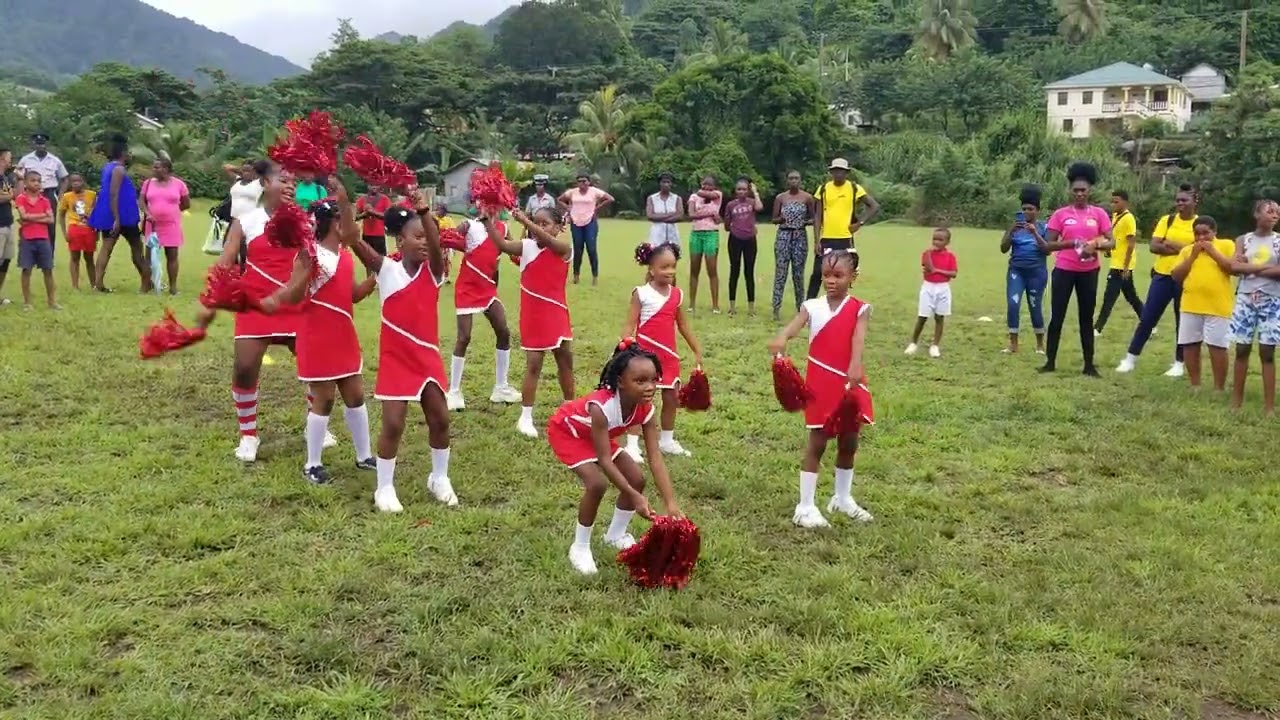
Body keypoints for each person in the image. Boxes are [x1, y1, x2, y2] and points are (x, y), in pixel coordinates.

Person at [196, 166, 329, 463]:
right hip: (256, 305)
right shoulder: (246, 220)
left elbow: (317, 262)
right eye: (283, 180)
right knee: (244, 367)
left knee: (314, 368)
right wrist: (211, 297)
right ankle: (248, 435)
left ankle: (316, 424)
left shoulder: (307, 222)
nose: (290, 185)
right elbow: (226, 260)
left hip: (296, 304)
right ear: (265, 183)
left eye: (294, 181)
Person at [344, 198, 457, 512]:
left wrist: (424, 213)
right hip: (397, 359)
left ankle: (439, 477)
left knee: (441, 418)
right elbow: (353, 239)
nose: (424, 242)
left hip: (427, 359)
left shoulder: (434, 272)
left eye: (427, 236)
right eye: (417, 236)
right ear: (400, 241)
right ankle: (384, 487)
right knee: (393, 424)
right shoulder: (386, 270)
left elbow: (436, 247)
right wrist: (342, 197)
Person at [259, 194, 379, 484]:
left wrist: (375, 277)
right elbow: (294, 293)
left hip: (343, 334)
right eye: (346, 220)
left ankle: (364, 455)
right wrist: (282, 293)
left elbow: (352, 295)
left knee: (356, 396)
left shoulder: (345, 257)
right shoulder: (309, 254)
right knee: (323, 399)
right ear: (335, 225)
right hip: (317, 334)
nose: (353, 225)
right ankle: (312, 463)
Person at [547, 341, 683, 575]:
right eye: (640, 381)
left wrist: (670, 503)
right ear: (620, 382)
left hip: (597, 435)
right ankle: (579, 547)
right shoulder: (602, 407)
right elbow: (605, 460)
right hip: (568, 432)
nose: (649, 387)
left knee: (637, 478)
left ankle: (615, 535)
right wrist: (635, 498)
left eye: (653, 379)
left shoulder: (646, 410)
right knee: (596, 484)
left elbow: (655, 458)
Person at [768, 250, 874, 528]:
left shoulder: (860, 308)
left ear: (853, 277)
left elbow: (858, 340)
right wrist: (782, 338)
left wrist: (855, 366)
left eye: (838, 275)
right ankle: (805, 506)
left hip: (849, 381)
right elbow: (793, 327)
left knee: (849, 441)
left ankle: (842, 498)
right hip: (820, 383)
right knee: (817, 442)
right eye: (827, 274)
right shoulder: (812, 306)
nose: (831, 280)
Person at [488, 207, 575, 439]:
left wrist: (526, 221)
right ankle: (525, 417)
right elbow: (503, 245)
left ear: (558, 227)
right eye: (537, 223)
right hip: (534, 315)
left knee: (565, 362)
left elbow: (547, 240)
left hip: (556, 313)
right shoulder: (526, 247)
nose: (539, 228)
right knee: (534, 365)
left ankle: (569, 410)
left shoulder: (564, 249)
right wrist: (488, 219)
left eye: (545, 223)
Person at [621, 242, 705, 461]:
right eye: (664, 267)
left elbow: (683, 326)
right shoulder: (641, 293)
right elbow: (630, 324)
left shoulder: (677, 295)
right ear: (651, 269)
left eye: (672, 267)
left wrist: (696, 348)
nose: (669, 272)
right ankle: (632, 443)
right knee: (642, 398)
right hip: (644, 356)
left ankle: (666, 440)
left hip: (669, 356)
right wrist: (626, 344)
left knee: (671, 397)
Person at [1116, 185, 1199, 377]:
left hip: (1186, 277)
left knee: (1183, 321)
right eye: (1177, 200)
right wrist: (1184, 249)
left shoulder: (1199, 224)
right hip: (1162, 275)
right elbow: (1154, 246)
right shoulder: (1167, 220)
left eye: (1184, 200)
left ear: (1195, 201)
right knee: (1148, 318)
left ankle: (1179, 363)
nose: (1180, 204)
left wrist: (1170, 244)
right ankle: (1130, 358)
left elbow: (1199, 250)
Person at [1039, 162, 1113, 376]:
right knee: (1057, 316)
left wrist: (1095, 244)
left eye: (1084, 190)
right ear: (1070, 190)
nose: (1080, 193)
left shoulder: (1099, 214)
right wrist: (1071, 244)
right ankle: (1050, 362)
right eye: (1076, 190)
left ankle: (1089, 365)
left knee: (1086, 317)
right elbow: (1047, 244)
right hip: (1064, 269)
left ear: (1090, 191)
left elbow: (1112, 242)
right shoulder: (1060, 214)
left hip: (1089, 272)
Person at [445, 216, 522, 411]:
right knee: (464, 337)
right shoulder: (469, 224)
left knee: (504, 332)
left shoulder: (503, 228)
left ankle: (500, 387)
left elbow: (514, 252)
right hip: (467, 288)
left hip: (487, 288)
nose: (489, 208)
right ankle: (453, 391)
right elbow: (448, 238)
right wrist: (459, 242)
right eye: (485, 203)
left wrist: (530, 251)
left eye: (495, 204)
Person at [1171, 216, 1236, 390]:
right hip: (1190, 304)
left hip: (1218, 306)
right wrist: (1192, 255)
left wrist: (1212, 251)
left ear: (1214, 232)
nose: (1201, 238)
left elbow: (1232, 268)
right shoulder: (1187, 251)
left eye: (1205, 233)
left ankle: (1218, 388)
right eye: (1197, 234)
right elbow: (1176, 276)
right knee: (1190, 345)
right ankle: (1195, 385)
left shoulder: (1226, 245)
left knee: (1218, 346)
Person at [1228, 199, 1280, 414]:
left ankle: (1269, 407)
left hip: (1272, 301)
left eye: (1277, 211)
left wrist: (1249, 268)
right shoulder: (1244, 240)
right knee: (1241, 349)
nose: (1274, 214)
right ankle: (1236, 402)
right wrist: (1266, 266)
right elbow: (1233, 266)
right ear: (1257, 214)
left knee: (1267, 353)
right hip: (1245, 299)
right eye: (1270, 210)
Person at [809, 158, 879, 299]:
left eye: (841, 171)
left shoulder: (854, 188)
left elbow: (874, 206)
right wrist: (817, 240)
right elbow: (817, 216)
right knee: (817, 273)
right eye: (835, 171)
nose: (838, 174)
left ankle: (839, 303)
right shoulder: (823, 189)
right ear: (831, 172)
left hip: (845, 239)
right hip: (826, 239)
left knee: (844, 273)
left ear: (846, 173)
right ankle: (807, 306)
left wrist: (860, 223)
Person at [88, 136, 150, 293]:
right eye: (128, 152)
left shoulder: (108, 167)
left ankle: (98, 283)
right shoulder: (119, 169)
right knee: (136, 249)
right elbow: (113, 194)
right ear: (123, 153)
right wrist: (117, 218)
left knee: (106, 248)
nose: (130, 154)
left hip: (111, 214)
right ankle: (146, 282)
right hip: (122, 216)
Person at [999, 185, 1048, 354]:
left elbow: (1047, 250)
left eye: (1031, 209)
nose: (1027, 212)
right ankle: (1013, 343)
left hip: (1036, 273)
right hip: (1016, 272)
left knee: (1035, 306)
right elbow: (1003, 248)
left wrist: (1035, 233)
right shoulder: (1015, 227)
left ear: (1037, 211)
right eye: (1024, 209)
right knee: (1013, 305)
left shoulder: (1044, 228)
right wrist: (1011, 231)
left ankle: (1040, 345)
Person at [1093, 190, 1144, 336]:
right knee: (1131, 297)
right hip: (1116, 262)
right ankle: (1149, 323)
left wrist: (1126, 267)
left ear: (1125, 202)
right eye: (1112, 201)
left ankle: (1097, 328)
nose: (1113, 204)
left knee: (1109, 297)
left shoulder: (1129, 219)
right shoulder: (1115, 216)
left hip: (1121, 266)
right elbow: (1116, 239)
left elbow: (1130, 244)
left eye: (1116, 201)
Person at [138, 158, 191, 296]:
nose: (154, 170)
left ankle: (173, 287)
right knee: (149, 256)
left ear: (166, 169)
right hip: (152, 225)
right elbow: (142, 202)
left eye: (157, 167)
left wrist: (171, 211)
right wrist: (148, 213)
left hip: (171, 225)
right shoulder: (148, 183)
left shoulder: (179, 184)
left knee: (172, 255)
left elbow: (186, 204)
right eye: (153, 167)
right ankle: (145, 286)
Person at [905, 228, 958, 357]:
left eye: (940, 240)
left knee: (940, 317)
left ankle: (935, 345)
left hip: (943, 288)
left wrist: (938, 271)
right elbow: (928, 268)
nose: (936, 242)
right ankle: (913, 343)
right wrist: (930, 255)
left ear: (947, 242)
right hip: (928, 287)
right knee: (922, 316)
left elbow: (954, 273)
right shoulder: (927, 253)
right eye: (934, 239)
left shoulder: (950, 256)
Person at [771, 170, 815, 321]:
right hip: (783, 235)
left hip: (799, 236)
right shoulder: (781, 197)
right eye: (791, 178)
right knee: (780, 273)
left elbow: (814, 218)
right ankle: (776, 308)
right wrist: (781, 219)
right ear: (787, 181)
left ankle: (800, 307)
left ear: (800, 180)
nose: (794, 181)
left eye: (796, 178)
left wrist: (804, 222)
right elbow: (774, 219)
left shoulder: (807, 198)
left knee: (798, 274)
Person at [14, 170, 59, 310]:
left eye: (39, 181)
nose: (37, 183)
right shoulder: (21, 198)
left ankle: (52, 302)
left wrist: (29, 217)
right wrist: (41, 217)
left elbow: (51, 219)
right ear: (26, 183)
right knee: (26, 270)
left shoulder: (45, 200)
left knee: (48, 270)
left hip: (43, 238)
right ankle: (27, 302)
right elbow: (23, 215)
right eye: (33, 180)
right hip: (27, 239)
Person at [16, 133, 68, 254]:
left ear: (46, 144)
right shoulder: (25, 159)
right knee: (28, 223)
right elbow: (18, 176)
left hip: (48, 194)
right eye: (38, 143)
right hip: (29, 195)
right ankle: (30, 253)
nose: (40, 146)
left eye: (42, 143)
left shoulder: (55, 160)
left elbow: (65, 178)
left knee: (50, 225)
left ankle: (48, 255)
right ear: (34, 144)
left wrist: (61, 194)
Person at [558, 173, 612, 286]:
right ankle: (576, 276)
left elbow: (610, 199)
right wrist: (568, 207)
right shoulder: (572, 192)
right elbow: (560, 199)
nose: (582, 184)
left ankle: (595, 276)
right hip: (576, 222)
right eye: (580, 181)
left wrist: (597, 208)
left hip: (590, 223)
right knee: (578, 249)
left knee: (591, 249)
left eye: (584, 181)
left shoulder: (594, 191)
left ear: (589, 182)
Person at [724, 177, 763, 317]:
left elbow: (759, 208)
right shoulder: (730, 205)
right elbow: (726, 226)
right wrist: (731, 225)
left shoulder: (752, 202)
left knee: (749, 272)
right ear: (735, 191)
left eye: (744, 189)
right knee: (734, 271)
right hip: (735, 240)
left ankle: (751, 308)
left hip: (750, 240)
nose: (741, 192)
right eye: (739, 189)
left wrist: (755, 193)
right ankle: (732, 306)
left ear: (748, 190)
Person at [686, 176, 723, 313]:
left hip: (711, 234)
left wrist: (700, 213)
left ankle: (715, 305)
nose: (707, 186)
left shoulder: (717, 195)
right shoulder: (693, 197)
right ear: (701, 184)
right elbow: (690, 214)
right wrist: (710, 214)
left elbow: (706, 195)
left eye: (710, 184)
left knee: (712, 270)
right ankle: (691, 303)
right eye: (704, 184)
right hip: (696, 234)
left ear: (714, 186)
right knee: (694, 270)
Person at [57, 174, 97, 291]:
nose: (75, 183)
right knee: (74, 257)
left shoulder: (92, 195)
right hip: (74, 229)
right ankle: (75, 286)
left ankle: (93, 284)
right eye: (72, 181)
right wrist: (65, 232)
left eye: (78, 180)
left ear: (83, 181)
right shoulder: (67, 196)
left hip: (89, 229)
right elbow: (61, 215)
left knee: (89, 258)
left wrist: (97, 232)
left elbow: (96, 213)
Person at [1, 147, 19, 305]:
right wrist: (10, 195)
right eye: (9, 158)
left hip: (8, 222)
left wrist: (19, 179)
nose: (11, 160)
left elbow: (17, 196)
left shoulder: (5, 177)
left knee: (6, 260)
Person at [645, 172, 683, 248]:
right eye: (663, 182)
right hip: (657, 235)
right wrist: (670, 214)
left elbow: (679, 216)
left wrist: (658, 217)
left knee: (672, 257)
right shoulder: (652, 198)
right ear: (659, 183)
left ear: (671, 184)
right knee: (656, 257)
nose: (666, 184)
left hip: (672, 234)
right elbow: (650, 216)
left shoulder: (677, 198)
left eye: (668, 182)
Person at [355, 185, 393, 256]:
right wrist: (364, 214)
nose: (374, 186)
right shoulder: (362, 199)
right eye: (371, 184)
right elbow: (355, 217)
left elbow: (388, 216)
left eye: (376, 184)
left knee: (382, 260)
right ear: (367, 185)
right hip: (366, 235)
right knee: (368, 259)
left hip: (379, 235)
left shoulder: (384, 199)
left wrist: (373, 212)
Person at [434, 200, 456, 281]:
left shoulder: (448, 220)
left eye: (439, 210)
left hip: (445, 243)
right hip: (435, 242)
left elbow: (453, 231)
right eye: (436, 209)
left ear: (444, 211)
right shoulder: (434, 219)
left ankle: (446, 276)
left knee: (445, 260)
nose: (437, 211)